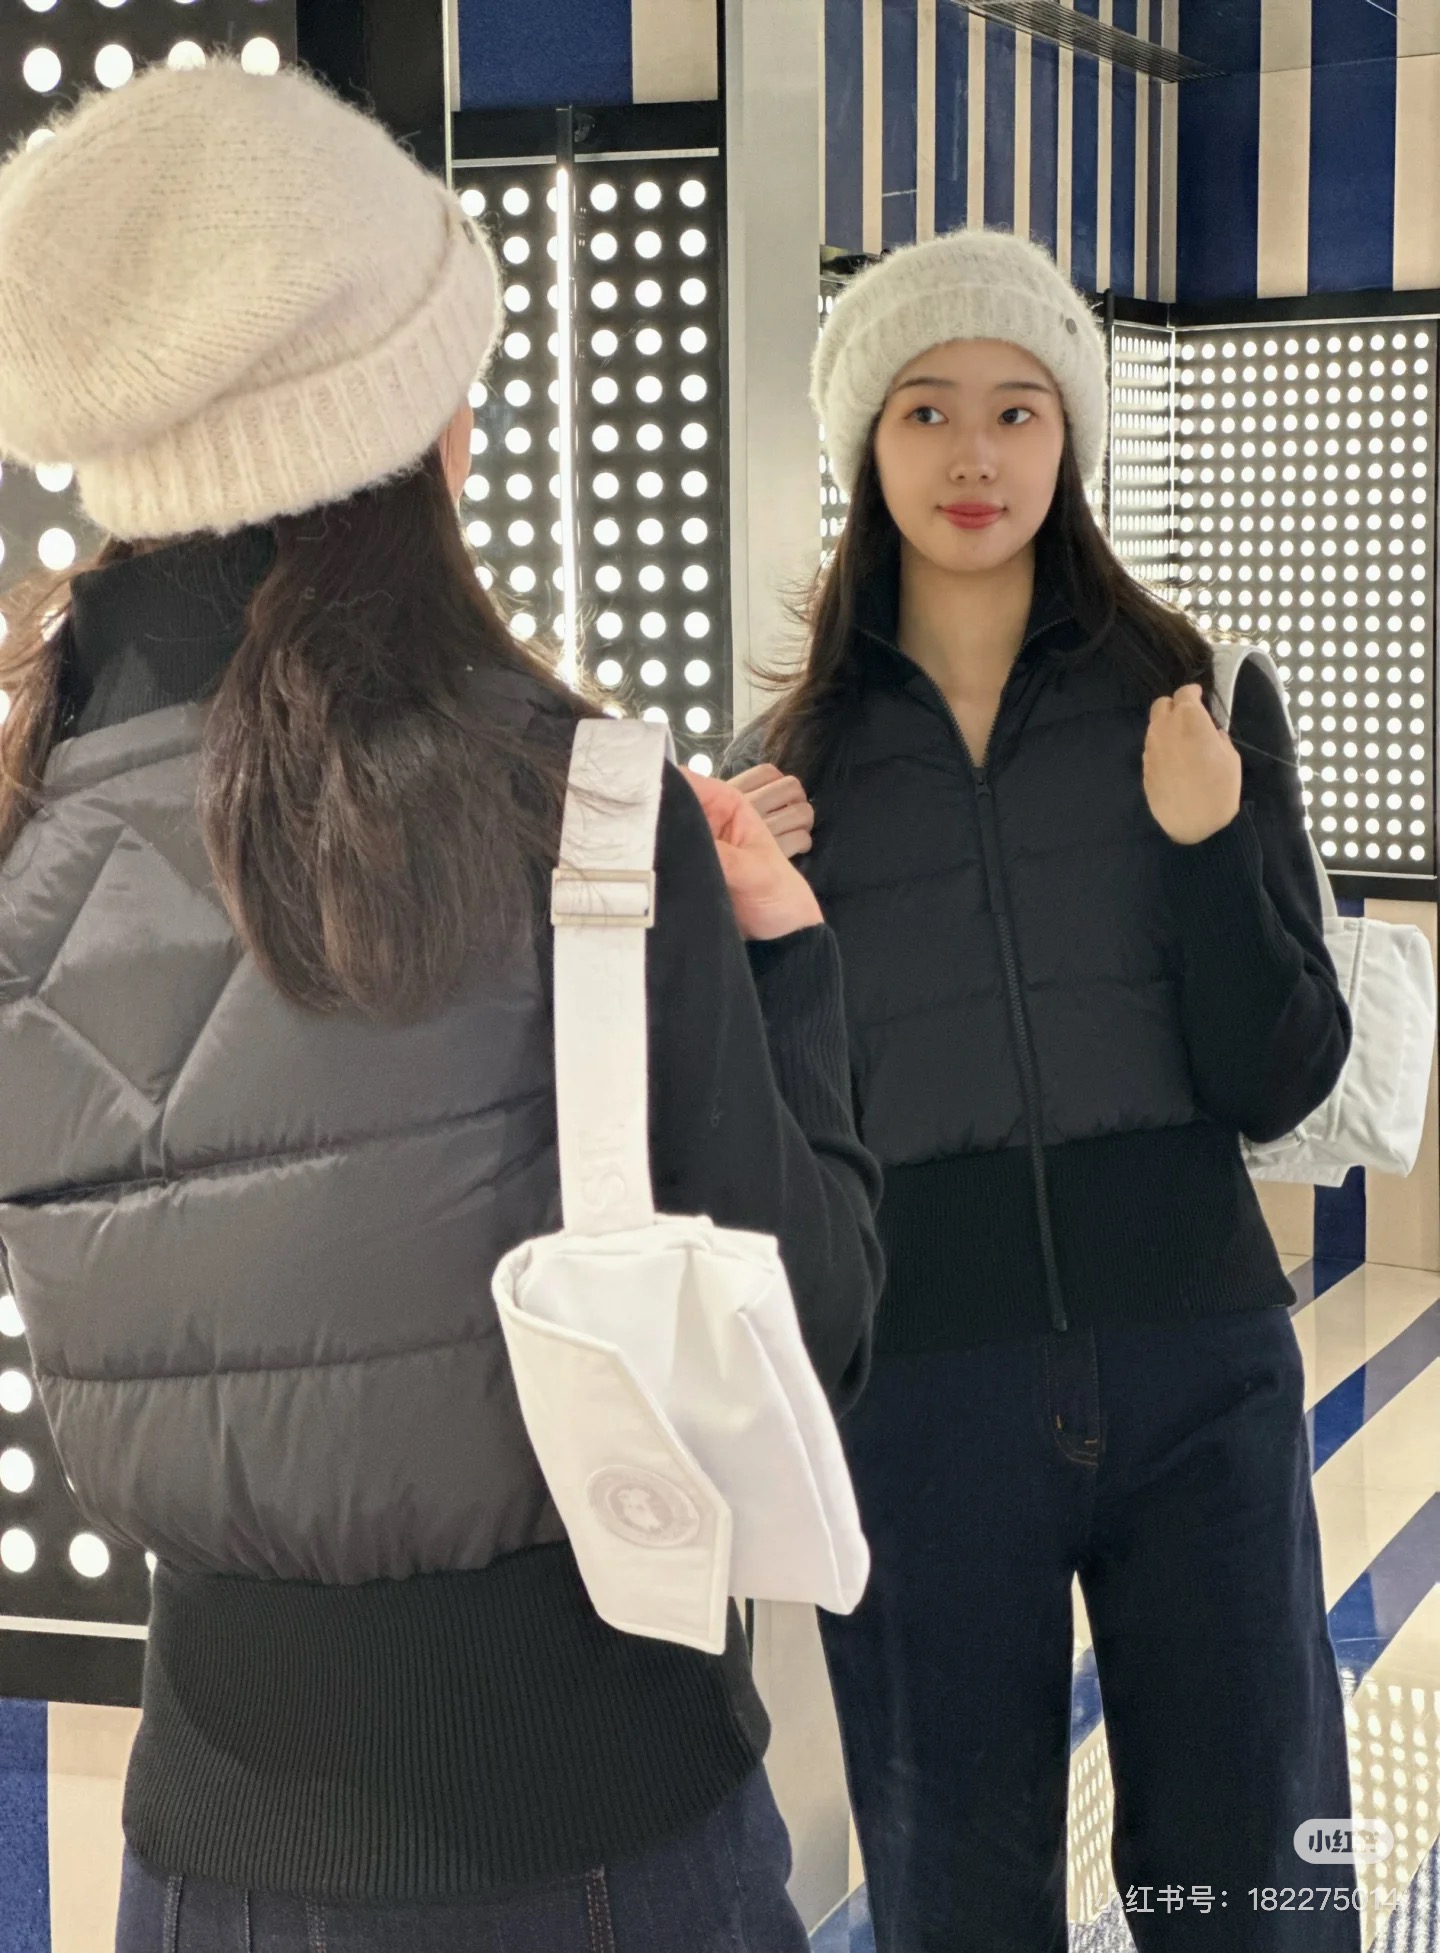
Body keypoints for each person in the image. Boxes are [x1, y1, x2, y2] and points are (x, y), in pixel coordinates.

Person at [0, 60, 883, 1953]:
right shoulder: (586, 812)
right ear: (403, 418)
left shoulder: (25, 822)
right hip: (591, 1827)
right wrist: (790, 964)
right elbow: (811, 1327)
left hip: (200, 1853)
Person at [726, 229, 1359, 1952]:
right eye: (926, 410)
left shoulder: (1196, 694)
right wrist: (743, 934)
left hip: (1196, 1367)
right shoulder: (792, 769)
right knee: (955, 1889)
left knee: (1256, 1874)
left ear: (1069, 433)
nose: (975, 453)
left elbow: (1285, 1071)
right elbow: (776, 1139)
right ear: (867, 444)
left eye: (1016, 408)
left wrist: (1210, 844)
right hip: (923, 1395)